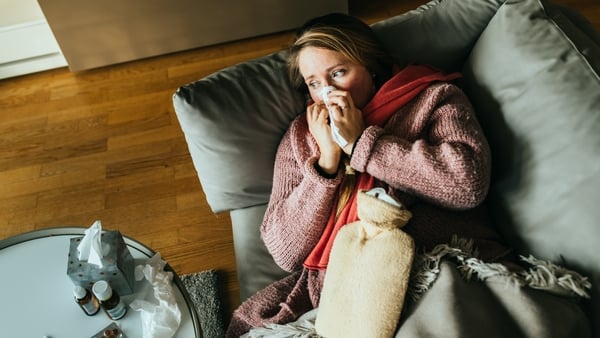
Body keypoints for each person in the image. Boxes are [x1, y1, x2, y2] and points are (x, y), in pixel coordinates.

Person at [225, 13, 588, 338]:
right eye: (314, 83)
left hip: (434, 267)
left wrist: (363, 144)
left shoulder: (434, 98)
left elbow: (466, 185)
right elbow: (284, 251)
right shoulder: (302, 136)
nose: (328, 92)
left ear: (372, 67)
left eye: (338, 73)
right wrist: (327, 165)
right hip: (343, 287)